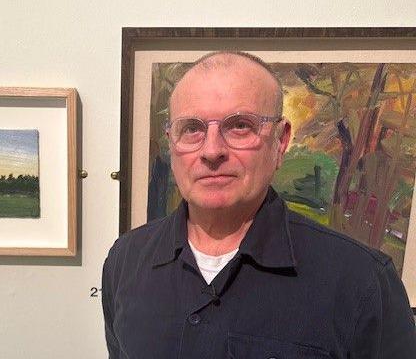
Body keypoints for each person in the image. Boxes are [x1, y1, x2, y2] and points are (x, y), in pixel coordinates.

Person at [101, 51, 416, 358]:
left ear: (280, 141)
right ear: (172, 142)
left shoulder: (361, 281)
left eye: (239, 125)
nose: (212, 151)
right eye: (192, 128)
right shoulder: (125, 260)